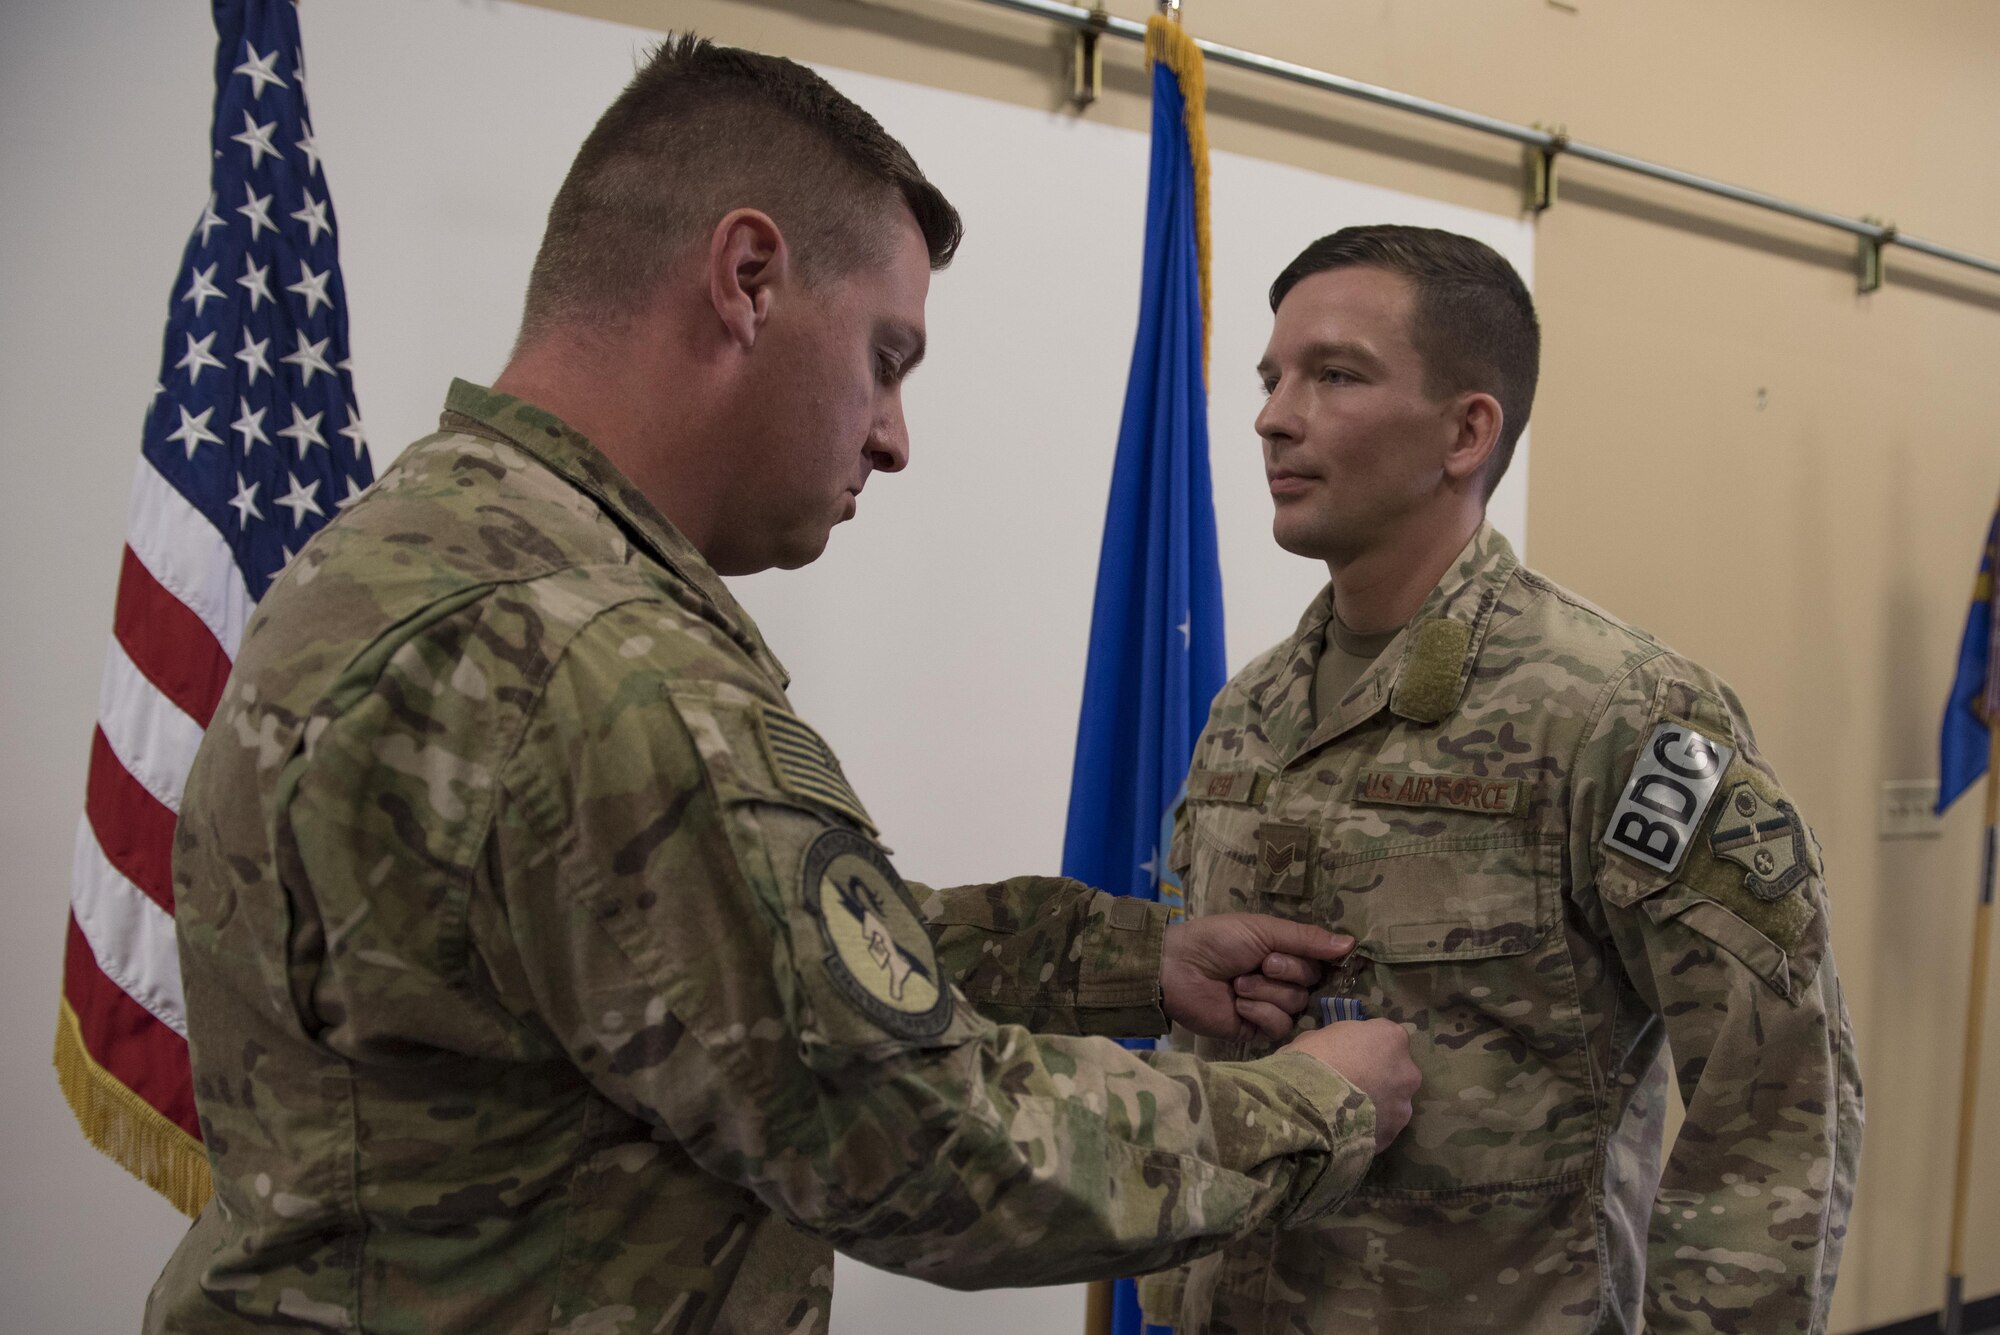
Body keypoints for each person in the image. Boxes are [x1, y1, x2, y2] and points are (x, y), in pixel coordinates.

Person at [143, 37, 1424, 1335]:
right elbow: (931, 1144)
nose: (894, 435)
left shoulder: (409, 549)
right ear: (748, 277)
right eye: (886, 354)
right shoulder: (595, 657)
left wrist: (1133, 959)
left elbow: (710, 946)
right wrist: (1314, 1101)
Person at [1141, 225, 1862, 1334]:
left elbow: (1772, 1096)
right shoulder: (1249, 713)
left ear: (1465, 430)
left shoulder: (1613, 711)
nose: (1273, 415)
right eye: (1270, 376)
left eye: (1333, 375)